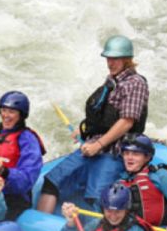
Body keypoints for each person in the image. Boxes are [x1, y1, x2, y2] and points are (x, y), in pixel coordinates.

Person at [37, 35, 150, 214]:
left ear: (127, 59)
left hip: (114, 152)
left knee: (97, 199)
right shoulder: (112, 81)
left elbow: (127, 121)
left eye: (115, 59)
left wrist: (98, 145)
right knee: (52, 181)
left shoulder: (135, 83)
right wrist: (84, 131)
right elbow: (102, 116)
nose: (110, 63)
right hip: (93, 146)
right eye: (108, 58)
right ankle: (39, 226)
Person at [0, 91, 46, 221]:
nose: (6, 115)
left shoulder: (28, 139)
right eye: (3, 110)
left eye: (11, 112)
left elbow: (27, 179)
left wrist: (5, 172)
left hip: (11, 196)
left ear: (21, 115)